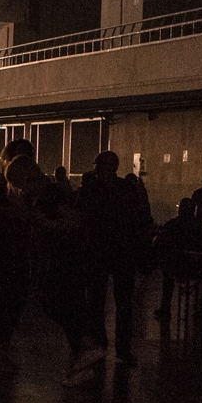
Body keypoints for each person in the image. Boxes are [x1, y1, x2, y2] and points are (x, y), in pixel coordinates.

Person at [5, 154, 105, 384]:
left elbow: (73, 221)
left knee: (55, 303)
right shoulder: (45, 193)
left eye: (19, 184)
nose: (19, 189)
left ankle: (87, 345)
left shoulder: (50, 194)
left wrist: (42, 222)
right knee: (64, 304)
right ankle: (83, 361)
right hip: (60, 257)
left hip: (63, 259)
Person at [77, 150, 152, 366]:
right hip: (122, 252)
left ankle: (100, 346)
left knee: (96, 303)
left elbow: (81, 219)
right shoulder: (127, 188)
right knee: (123, 303)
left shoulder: (90, 189)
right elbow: (139, 218)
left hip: (98, 252)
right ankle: (123, 349)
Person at [0, 140, 35, 371]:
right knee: (10, 301)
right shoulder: (9, 184)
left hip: (2, 248)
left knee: (6, 300)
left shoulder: (1, 183)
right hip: (11, 249)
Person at [154, 198, 202, 323]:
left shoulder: (172, 224)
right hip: (195, 268)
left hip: (175, 267)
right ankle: (201, 309)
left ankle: (165, 308)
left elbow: (161, 242)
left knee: (167, 278)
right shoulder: (199, 226)